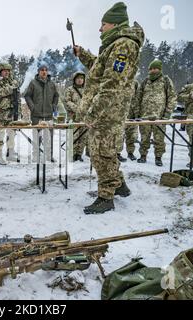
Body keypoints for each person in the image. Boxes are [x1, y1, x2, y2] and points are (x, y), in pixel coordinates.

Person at [73, 2, 144, 214]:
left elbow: (112, 85)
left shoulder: (123, 45)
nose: (100, 29)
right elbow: (100, 67)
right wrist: (82, 54)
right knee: (106, 151)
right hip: (107, 112)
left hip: (107, 113)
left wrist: (92, 113)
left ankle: (106, 197)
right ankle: (119, 185)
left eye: (103, 24)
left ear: (114, 24)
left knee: (100, 153)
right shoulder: (115, 45)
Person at [136, 59, 177, 167]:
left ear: (159, 69)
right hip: (145, 116)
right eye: (151, 69)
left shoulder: (165, 80)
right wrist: (137, 113)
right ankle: (143, 155)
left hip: (160, 117)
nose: (153, 71)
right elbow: (138, 97)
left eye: (155, 68)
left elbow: (172, 97)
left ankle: (158, 157)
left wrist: (167, 113)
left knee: (159, 138)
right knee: (144, 137)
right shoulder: (145, 81)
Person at [24, 65, 59, 163]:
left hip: (48, 115)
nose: (44, 72)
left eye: (46, 70)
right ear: (38, 72)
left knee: (49, 137)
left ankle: (49, 156)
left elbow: (56, 96)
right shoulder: (33, 83)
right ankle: (36, 156)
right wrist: (32, 107)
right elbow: (27, 96)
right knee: (37, 137)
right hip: (36, 115)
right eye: (42, 70)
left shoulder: (52, 84)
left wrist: (54, 105)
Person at [0, 63, 20, 165]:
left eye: (8, 70)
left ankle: (10, 154)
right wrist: (11, 88)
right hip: (1, 113)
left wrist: (18, 111)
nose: (7, 72)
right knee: (0, 135)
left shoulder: (13, 82)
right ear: (0, 71)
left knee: (11, 135)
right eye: (4, 70)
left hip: (12, 113)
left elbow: (17, 98)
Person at [64, 71, 88, 162]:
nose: (80, 80)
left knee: (83, 137)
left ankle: (79, 154)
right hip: (73, 117)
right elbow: (67, 101)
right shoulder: (69, 90)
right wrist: (77, 109)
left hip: (84, 118)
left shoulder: (87, 90)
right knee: (73, 136)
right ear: (74, 79)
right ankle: (72, 154)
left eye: (82, 78)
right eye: (78, 78)